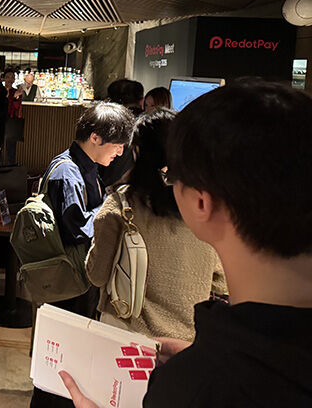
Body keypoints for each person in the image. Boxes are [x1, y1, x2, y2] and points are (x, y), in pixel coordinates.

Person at [59, 79, 312, 407]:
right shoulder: (259, 359)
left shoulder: (194, 386)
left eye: (176, 175)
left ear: (202, 201)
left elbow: (97, 273)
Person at [85, 109, 226, 341]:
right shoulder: (203, 209)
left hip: (126, 338)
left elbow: (97, 275)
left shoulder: (121, 206)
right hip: (186, 343)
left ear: (137, 153)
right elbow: (221, 283)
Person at [31, 101, 134, 408]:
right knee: (60, 367)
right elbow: (78, 230)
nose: (119, 152)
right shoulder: (68, 172)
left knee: (67, 365)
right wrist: (111, 209)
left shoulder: (83, 166)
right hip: (69, 284)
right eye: (117, 145)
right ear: (95, 138)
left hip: (75, 281)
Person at [101, 78, 145, 187]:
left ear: (109, 101)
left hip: (105, 187)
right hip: (132, 188)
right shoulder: (146, 126)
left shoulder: (103, 123)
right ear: (142, 101)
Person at [3, 69, 24, 164]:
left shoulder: (17, 92)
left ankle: (10, 167)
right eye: (8, 77)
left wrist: (15, 98)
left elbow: (16, 108)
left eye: (12, 77)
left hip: (11, 121)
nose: (10, 79)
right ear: (3, 78)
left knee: (11, 148)